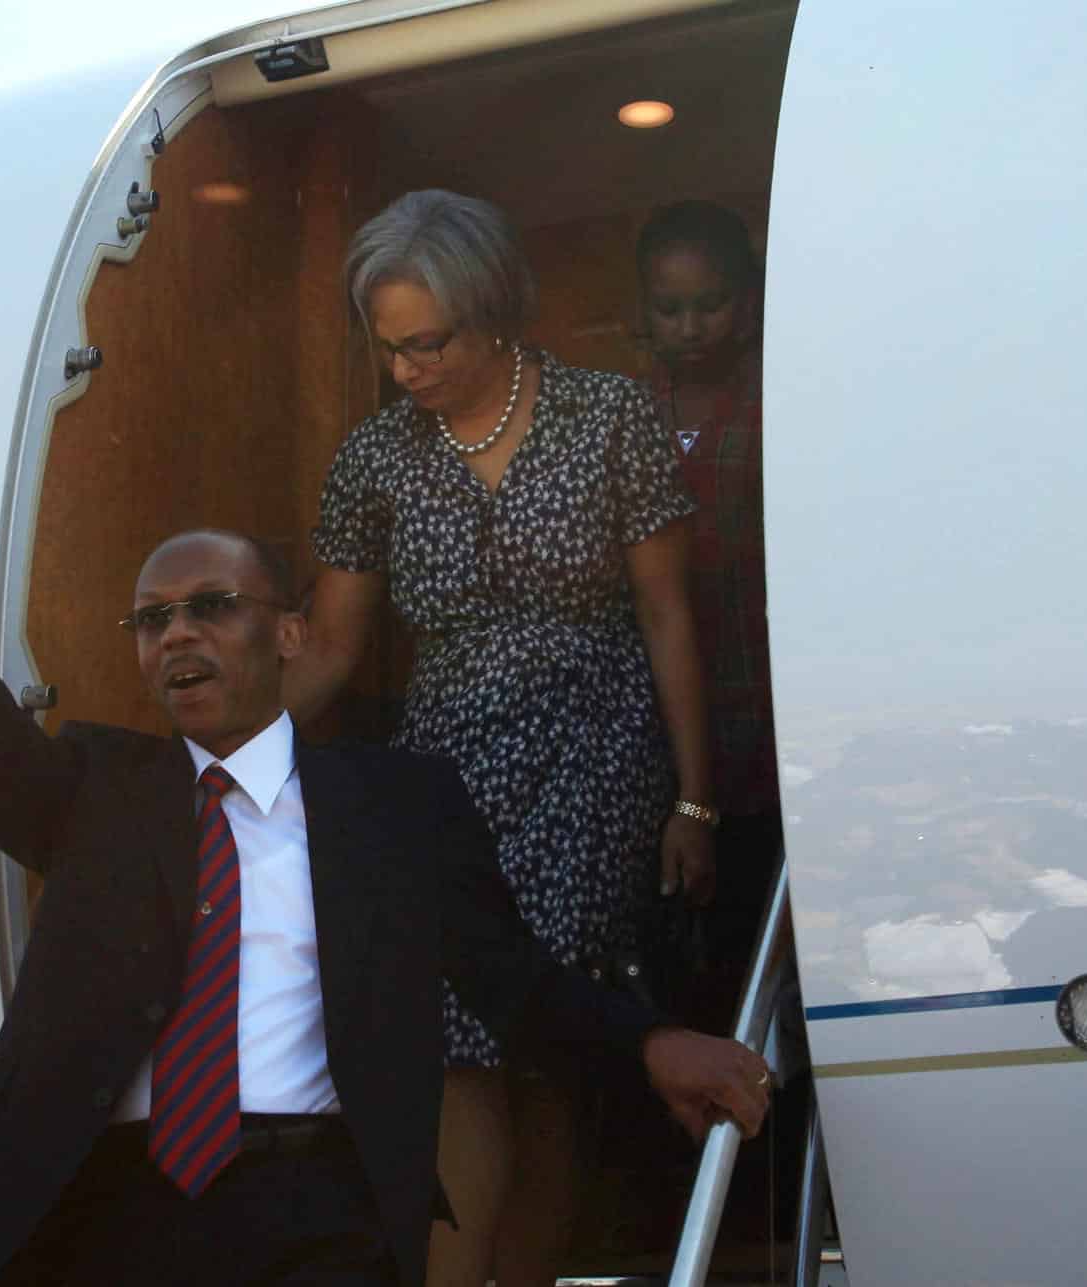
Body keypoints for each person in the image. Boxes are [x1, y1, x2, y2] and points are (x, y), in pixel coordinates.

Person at [0, 332, 768, 1287]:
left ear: (289, 632)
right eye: (152, 618)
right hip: (106, 1212)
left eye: (211, 605)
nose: (177, 631)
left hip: (317, 1205)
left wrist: (652, 1040)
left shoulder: (398, 805)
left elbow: (514, 984)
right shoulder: (94, 794)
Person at [286, 190, 718, 1286]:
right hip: (443, 780)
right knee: (454, 1046)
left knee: (541, 1051)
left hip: (594, 751)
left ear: (495, 312)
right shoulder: (375, 459)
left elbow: (669, 612)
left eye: (426, 343)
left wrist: (695, 799)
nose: (406, 371)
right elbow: (331, 652)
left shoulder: (609, 414)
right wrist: (204, 773)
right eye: (388, 349)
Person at [635, 200, 781, 1021]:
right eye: (669, 308)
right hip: (656, 723)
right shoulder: (622, 412)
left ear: (750, 300)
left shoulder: (781, 394)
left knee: (760, 942)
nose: (690, 326)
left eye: (712, 303)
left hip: (764, 707)